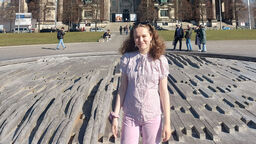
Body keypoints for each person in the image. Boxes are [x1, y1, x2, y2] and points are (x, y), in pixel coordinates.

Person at [110, 22, 171, 144]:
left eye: (144, 36)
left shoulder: (160, 61)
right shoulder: (127, 59)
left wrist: (167, 123)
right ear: (133, 39)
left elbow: (164, 92)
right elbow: (122, 88)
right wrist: (115, 116)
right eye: (137, 37)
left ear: (151, 36)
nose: (140, 40)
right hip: (130, 114)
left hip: (152, 114)